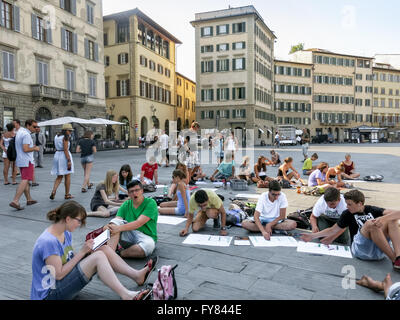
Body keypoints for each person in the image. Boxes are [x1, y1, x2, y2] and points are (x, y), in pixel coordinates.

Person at [30, 201, 153, 300]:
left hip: (60, 283)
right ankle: (126, 295)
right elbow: (59, 274)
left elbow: (68, 261)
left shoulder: (65, 233)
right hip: (50, 294)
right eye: (79, 220)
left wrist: (88, 251)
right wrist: (83, 253)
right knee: (98, 257)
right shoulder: (48, 242)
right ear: (67, 219)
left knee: (102, 249)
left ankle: (137, 275)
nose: (79, 224)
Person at [301, 190, 400, 269]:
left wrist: (383, 219)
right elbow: (332, 230)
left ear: (360, 203)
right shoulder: (347, 214)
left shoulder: (371, 209)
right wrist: (312, 236)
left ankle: (398, 257)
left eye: (350, 204)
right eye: (347, 204)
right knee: (370, 224)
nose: (347, 207)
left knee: (392, 220)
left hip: (378, 251)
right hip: (360, 250)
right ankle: (394, 259)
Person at [105, 180, 158, 259]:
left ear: (142, 191)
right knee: (114, 223)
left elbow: (139, 223)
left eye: (137, 190)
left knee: (148, 246)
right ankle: (109, 256)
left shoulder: (151, 203)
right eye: (131, 191)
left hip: (146, 236)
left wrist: (117, 228)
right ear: (129, 194)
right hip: (129, 233)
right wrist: (109, 226)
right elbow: (117, 220)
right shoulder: (126, 204)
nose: (134, 193)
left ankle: (120, 253)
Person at [9, 119, 40, 211]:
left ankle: (29, 199)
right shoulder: (26, 134)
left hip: (21, 160)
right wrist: (35, 148)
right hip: (27, 160)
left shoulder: (20, 132)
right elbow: (25, 149)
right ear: (28, 125)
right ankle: (15, 200)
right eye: (34, 126)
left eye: (37, 126)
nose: (36, 128)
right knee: (25, 180)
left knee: (25, 180)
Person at [50, 124, 75, 200]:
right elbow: (65, 150)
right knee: (67, 176)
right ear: (66, 130)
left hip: (57, 155)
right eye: (69, 131)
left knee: (59, 176)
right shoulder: (65, 137)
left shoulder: (56, 136)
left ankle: (53, 191)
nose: (70, 132)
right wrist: (69, 160)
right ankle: (67, 194)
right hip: (64, 156)